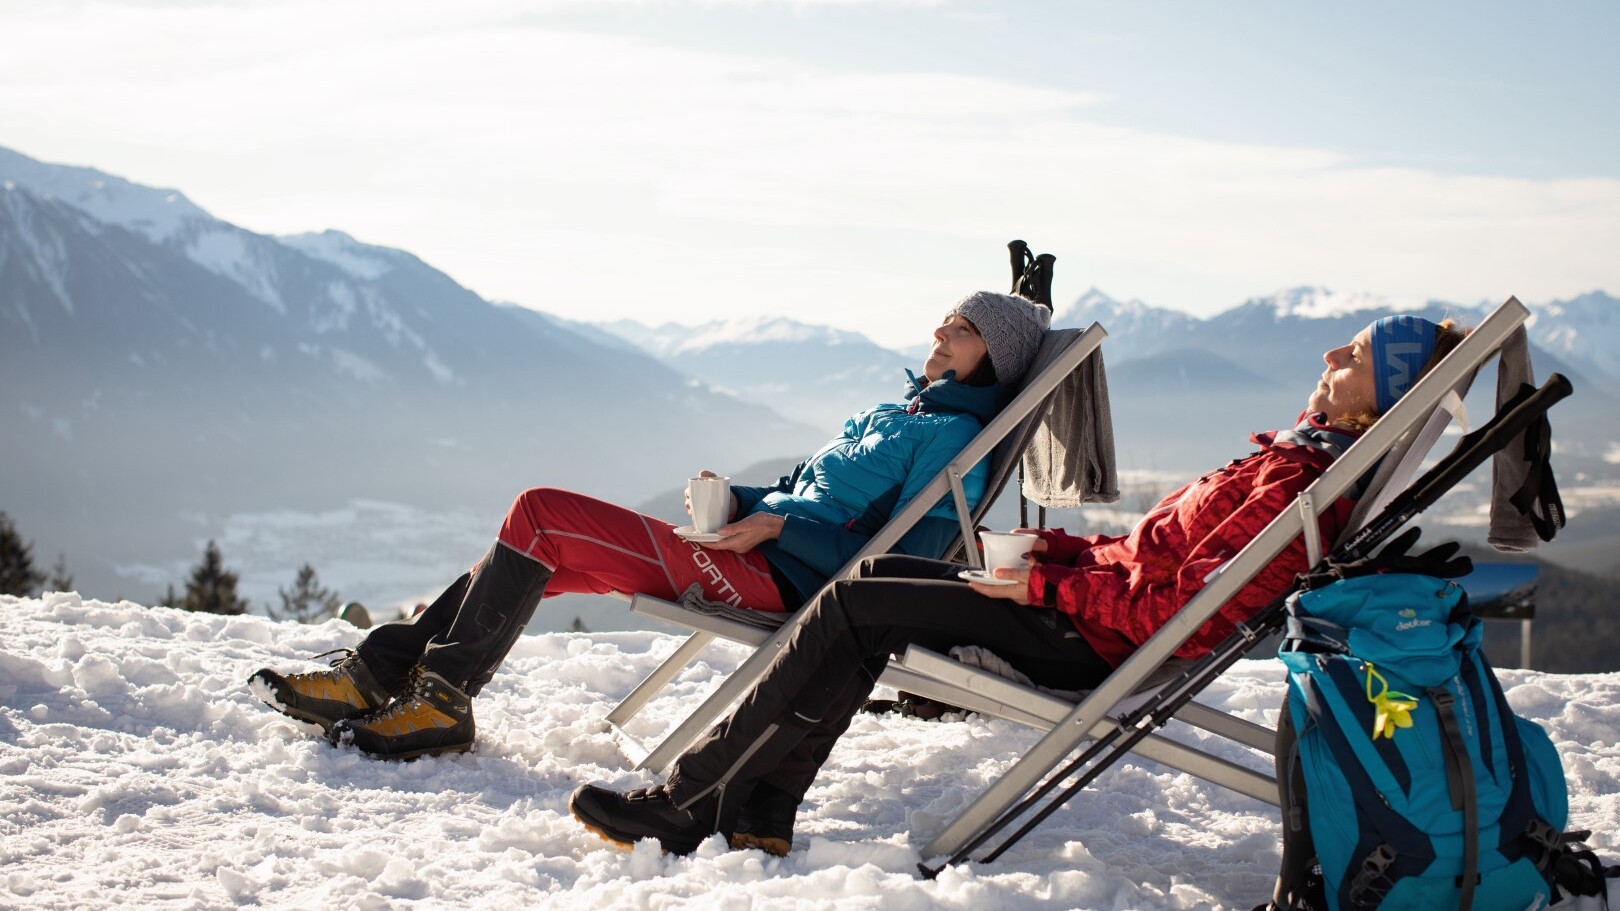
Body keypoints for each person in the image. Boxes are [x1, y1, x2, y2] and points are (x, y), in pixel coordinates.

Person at [568, 314, 1469, 858]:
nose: (1328, 352)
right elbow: (1149, 559)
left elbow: (1180, 610)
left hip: (1096, 643)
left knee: (855, 599)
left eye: (1350, 354)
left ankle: (691, 800)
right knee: (875, 579)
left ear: (1376, 398)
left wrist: (1040, 589)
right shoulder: (1296, 463)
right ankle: (759, 807)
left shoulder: (1295, 487)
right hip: (1091, 616)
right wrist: (1051, 551)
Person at [248, 290, 1054, 760]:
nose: (936, 332)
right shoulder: (906, 410)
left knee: (539, 513)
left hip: (786, 583)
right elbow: (804, 487)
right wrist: (739, 500)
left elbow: (906, 562)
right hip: (752, 550)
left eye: (958, 327)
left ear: (995, 354)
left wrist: (779, 535)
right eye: (944, 321)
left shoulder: (954, 441)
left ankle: (440, 698)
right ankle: (384, 671)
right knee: (529, 556)